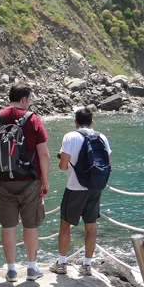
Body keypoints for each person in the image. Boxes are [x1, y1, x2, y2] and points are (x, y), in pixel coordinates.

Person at [0, 82, 50, 282]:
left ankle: (11, 270)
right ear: (24, 99)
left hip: (3, 180)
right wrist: (45, 182)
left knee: (8, 225)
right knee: (30, 225)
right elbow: (44, 154)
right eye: (29, 100)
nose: (30, 104)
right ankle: (31, 268)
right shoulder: (33, 120)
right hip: (30, 180)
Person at [50, 108, 111, 277]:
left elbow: (63, 166)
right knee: (90, 226)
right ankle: (87, 265)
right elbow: (109, 164)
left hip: (75, 188)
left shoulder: (70, 137)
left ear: (75, 122)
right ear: (92, 122)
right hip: (95, 187)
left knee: (65, 224)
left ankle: (62, 263)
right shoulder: (102, 137)